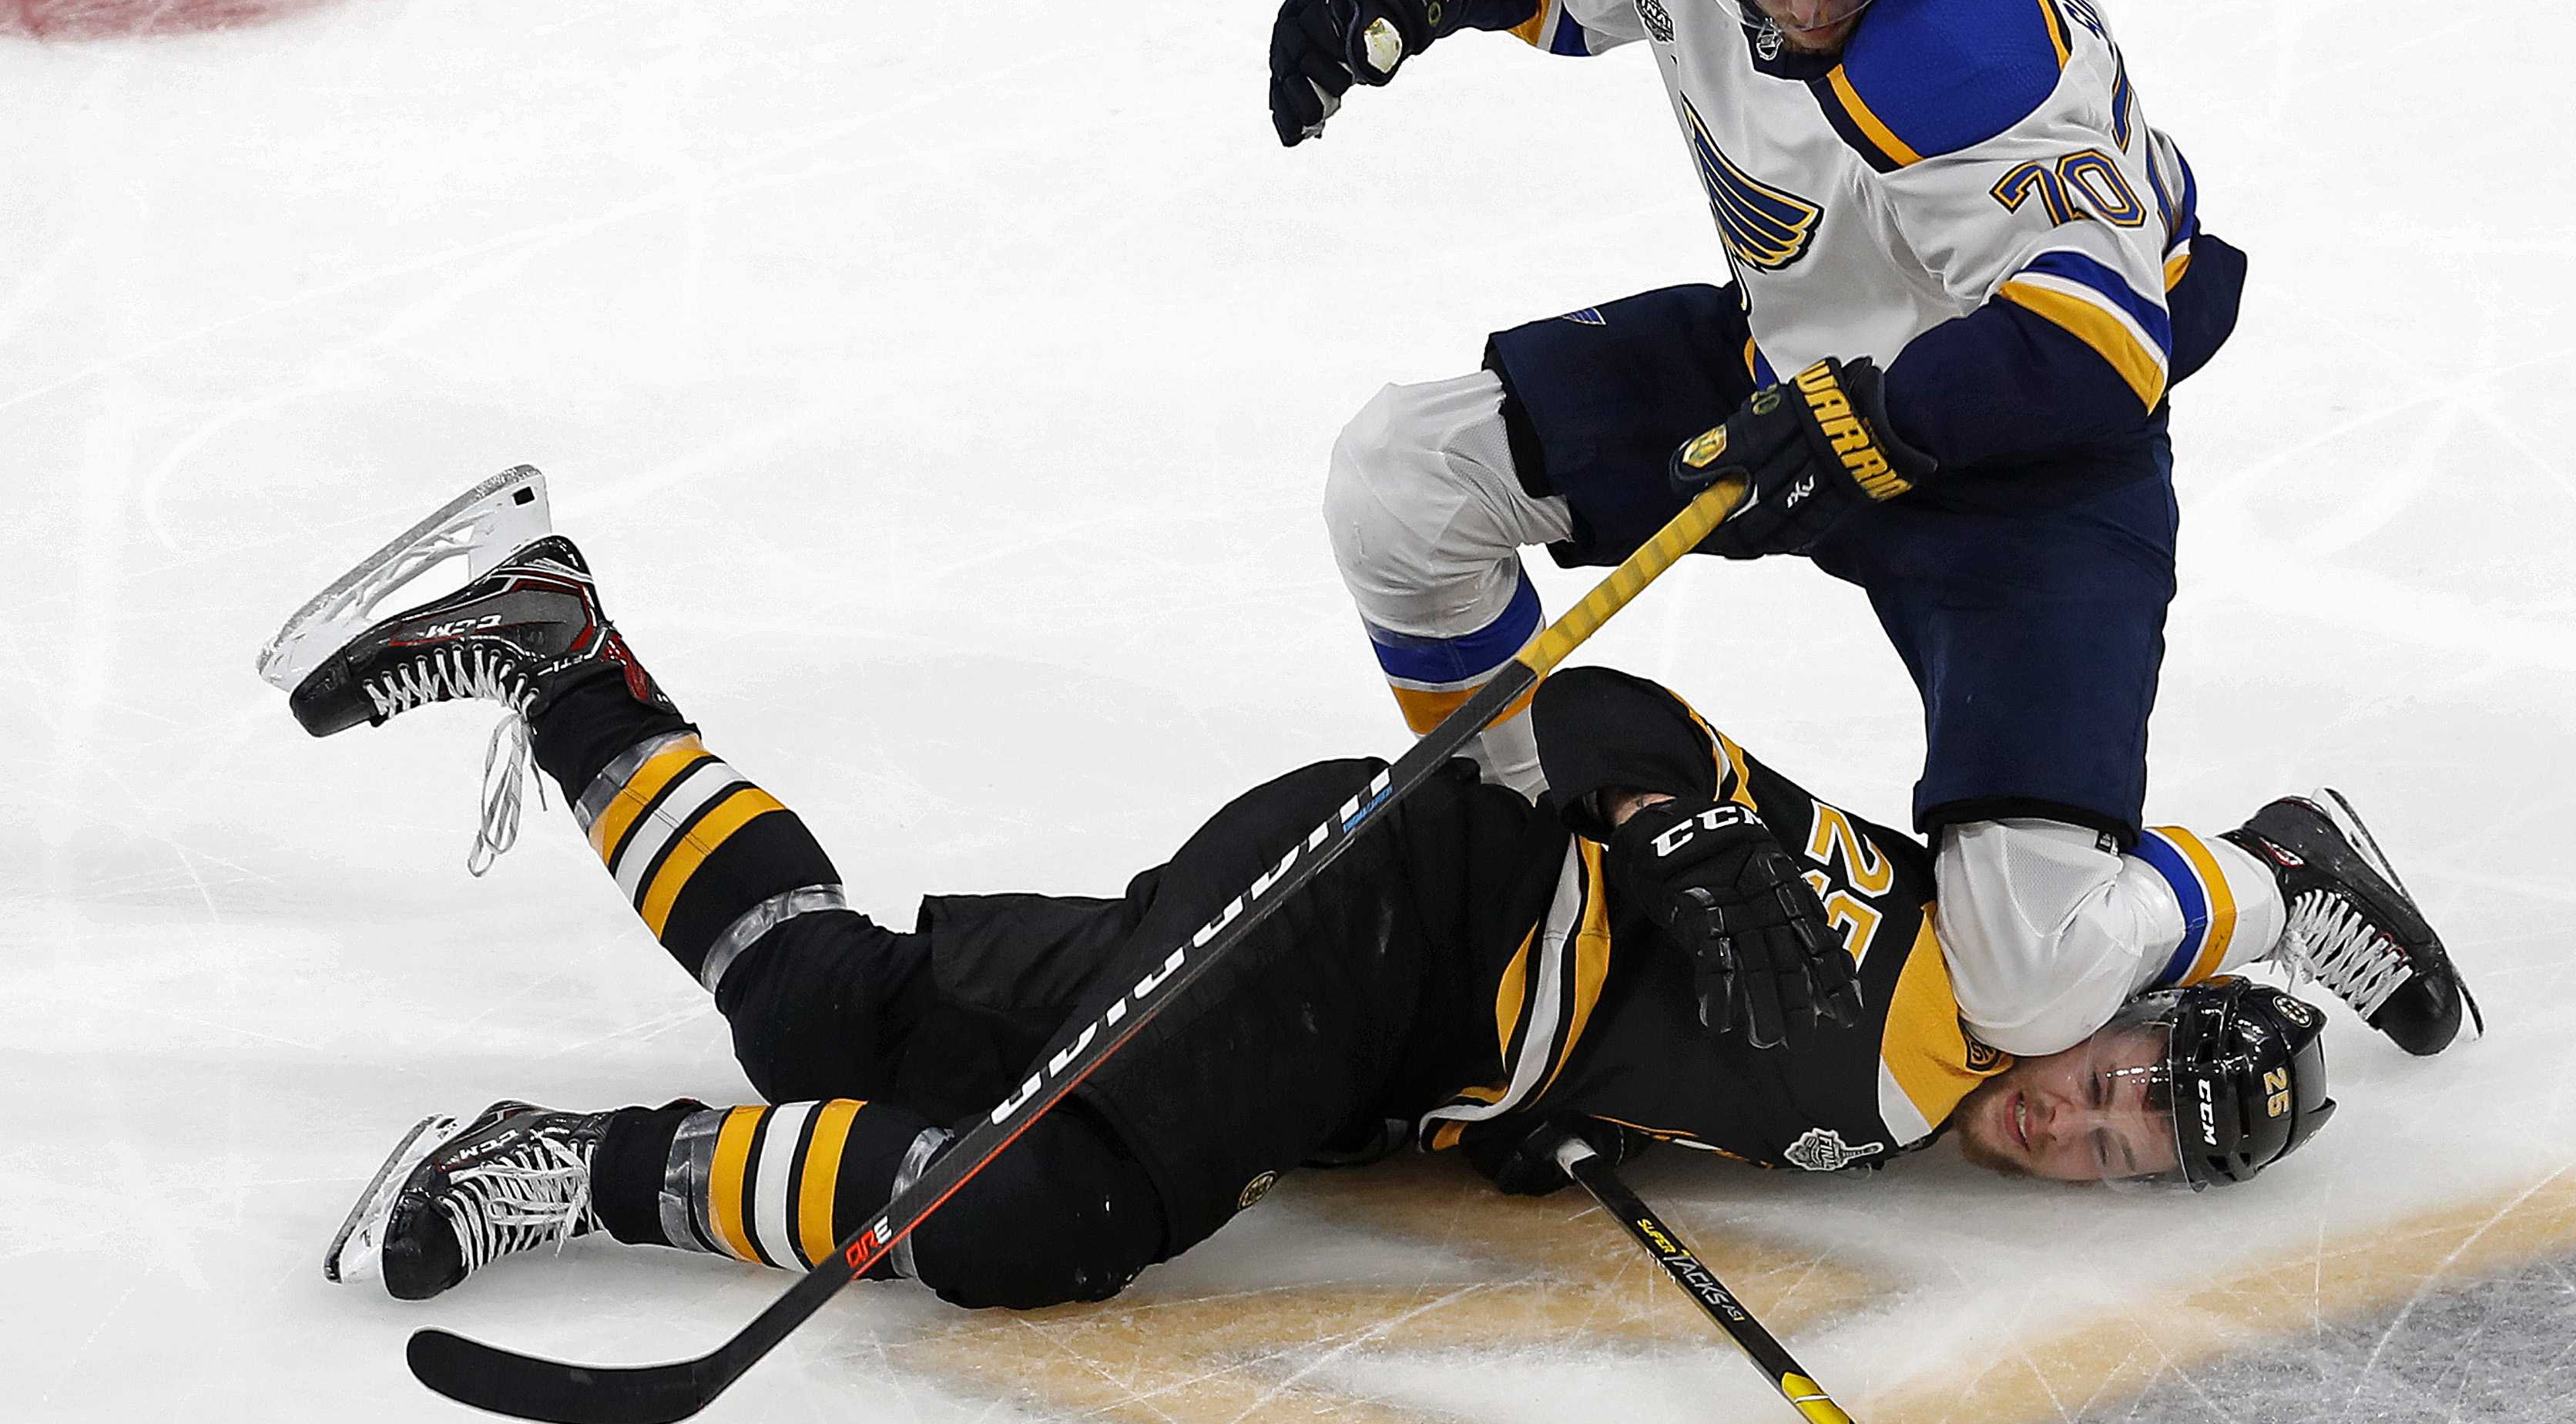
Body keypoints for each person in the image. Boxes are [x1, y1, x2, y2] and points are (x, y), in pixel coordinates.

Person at [267, 472, 2460, 1313]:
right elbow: (1596, 732)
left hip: (1384, 1016)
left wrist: (1547, 1115)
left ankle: (567, 660)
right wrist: (1688, 833)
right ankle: (570, 1169)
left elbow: (1661, 1041)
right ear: (2118, 1001)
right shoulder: (1950, 973)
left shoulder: (1913, 1086)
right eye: (2119, 1086)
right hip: (1374, 905)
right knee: (1032, 1219)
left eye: (2112, 1160)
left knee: (824, 1017)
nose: (2067, 1125)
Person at [1274, 0, 2463, 1074]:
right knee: (1404, 474)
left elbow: (2101, 346)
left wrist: (1868, 424)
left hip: (2029, 468)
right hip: (1789, 370)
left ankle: (2277, 873)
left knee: (2024, 982)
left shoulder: (1982, 55)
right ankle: (1518, 840)